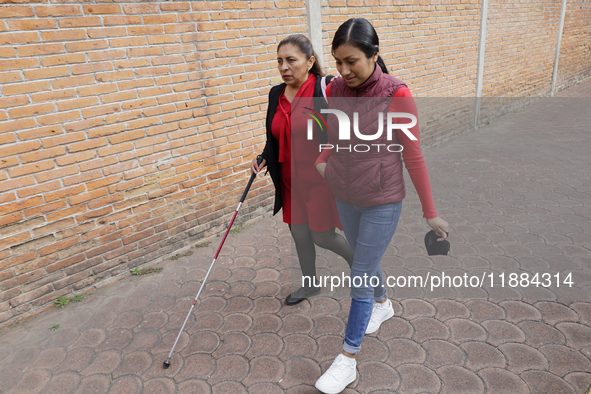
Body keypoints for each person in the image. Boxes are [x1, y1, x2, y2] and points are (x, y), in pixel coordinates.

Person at [313, 18, 450, 393]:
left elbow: (413, 154)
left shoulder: (397, 94)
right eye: (338, 61)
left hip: (381, 201)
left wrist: (430, 211)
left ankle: (348, 359)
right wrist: (323, 160)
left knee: (359, 272)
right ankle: (384, 303)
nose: (343, 71)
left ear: (375, 54)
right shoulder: (336, 89)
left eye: (352, 61)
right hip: (345, 195)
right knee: (363, 259)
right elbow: (334, 134)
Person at [251, 34, 354, 306]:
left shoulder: (324, 89)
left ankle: (360, 263)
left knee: (322, 235)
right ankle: (311, 286)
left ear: (309, 62)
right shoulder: (276, 93)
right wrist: (264, 156)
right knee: (299, 235)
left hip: (318, 180)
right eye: (279, 61)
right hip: (289, 180)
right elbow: (277, 132)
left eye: (291, 61)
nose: (284, 67)